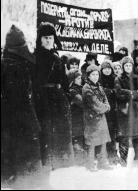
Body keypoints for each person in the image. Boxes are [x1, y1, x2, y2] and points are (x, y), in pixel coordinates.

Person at [1, 25, 43, 189]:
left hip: (7, 124)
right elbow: (21, 100)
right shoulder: (16, 67)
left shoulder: (6, 64)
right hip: (21, 124)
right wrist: (32, 123)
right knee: (24, 162)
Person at [34, 22, 74, 172]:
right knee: (45, 132)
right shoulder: (35, 58)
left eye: (50, 37)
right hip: (43, 100)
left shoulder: (58, 60)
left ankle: (57, 161)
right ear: (40, 39)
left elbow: (64, 82)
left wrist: (67, 96)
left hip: (58, 100)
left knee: (58, 131)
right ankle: (46, 162)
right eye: (45, 38)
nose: (48, 40)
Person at [114, 56, 138, 167]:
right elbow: (118, 93)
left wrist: (129, 93)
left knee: (136, 135)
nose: (128, 67)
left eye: (130, 65)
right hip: (124, 110)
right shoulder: (118, 79)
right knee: (124, 136)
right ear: (123, 67)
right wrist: (131, 93)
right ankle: (123, 159)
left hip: (135, 110)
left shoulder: (136, 78)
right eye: (126, 65)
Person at [82, 64, 112, 171]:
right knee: (92, 142)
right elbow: (95, 104)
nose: (95, 76)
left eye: (96, 74)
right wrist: (106, 107)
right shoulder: (86, 88)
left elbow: (105, 99)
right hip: (92, 119)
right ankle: (90, 164)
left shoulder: (99, 87)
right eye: (93, 74)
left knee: (103, 140)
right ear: (88, 76)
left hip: (101, 118)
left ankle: (102, 163)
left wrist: (106, 106)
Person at [99, 60, 119, 164]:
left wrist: (112, 91)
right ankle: (103, 154)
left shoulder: (115, 79)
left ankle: (112, 154)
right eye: (105, 69)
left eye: (108, 68)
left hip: (113, 110)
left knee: (112, 132)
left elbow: (118, 91)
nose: (107, 71)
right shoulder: (99, 80)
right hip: (103, 110)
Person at [67, 69, 86, 166]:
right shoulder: (72, 91)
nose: (80, 80)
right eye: (78, 78)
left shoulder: (81, 88)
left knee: (81, 137)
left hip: (81, 118)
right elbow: (82, 101)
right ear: (72, 79)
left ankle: (82, 159)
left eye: (80, 78)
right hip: (76, 118)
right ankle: (79, 160)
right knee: (77, 138)